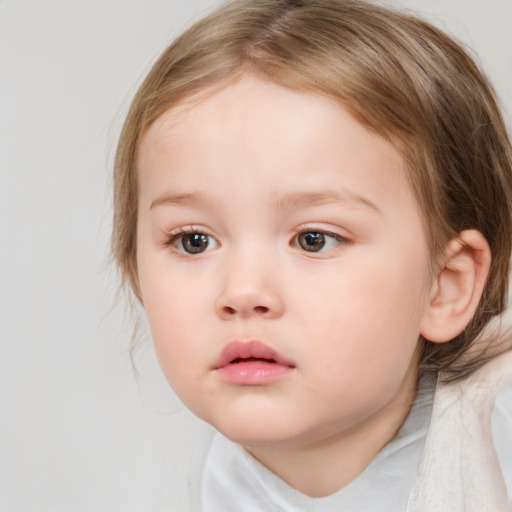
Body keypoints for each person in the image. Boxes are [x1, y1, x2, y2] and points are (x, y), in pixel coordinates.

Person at [111, 0, 512, 510]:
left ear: (444, 286)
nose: (243, 291)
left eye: (313, 239)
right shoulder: (185, 484)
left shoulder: (490, 460)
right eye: (194, 240)